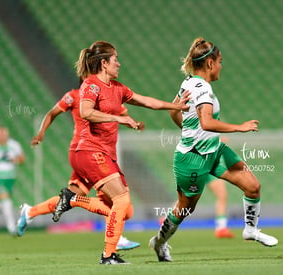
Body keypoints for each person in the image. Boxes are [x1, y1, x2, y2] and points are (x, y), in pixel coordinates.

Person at [51, 40, 190, 264]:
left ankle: (73, 199)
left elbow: (146, 101)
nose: (119, 64)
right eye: (116, 60)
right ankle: (108, 255)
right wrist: (119, 118)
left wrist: (177, 106)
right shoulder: (91, 85)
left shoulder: (117, 88)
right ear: (104, 63)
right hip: (88, 150)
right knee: (121, 199)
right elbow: (86, 112)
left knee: (125, 210)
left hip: (105, 154)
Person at [149, 37, 278, 262]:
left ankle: (250, 230)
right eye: (220, 61)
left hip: (214, 151)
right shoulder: (202, 89)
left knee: (253, 186)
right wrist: (240, 127)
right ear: (209, 63)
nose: (221, 66)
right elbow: (207, 123)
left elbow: (173, 110)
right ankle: (160, 242)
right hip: (192, 159)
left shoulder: (188, 82)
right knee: (185, 208)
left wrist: (188, 129)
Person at [15, 81, 140, 251]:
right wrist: (41, 132)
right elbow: (53, 112)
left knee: (77, 197)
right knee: (114, 198)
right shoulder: (74, 95)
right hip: (89, 152)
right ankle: (115, 239)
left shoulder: (106, 95)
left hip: (98, 151)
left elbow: (122, 111)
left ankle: (30, 212)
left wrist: (132, 121)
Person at [170, 104, 234, 238]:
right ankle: (167, 218)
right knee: (187, 200)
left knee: (221, 194)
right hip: (195, 162)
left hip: (209, 162)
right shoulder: (195, 122)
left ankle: (221, 227)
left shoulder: (210, 120)